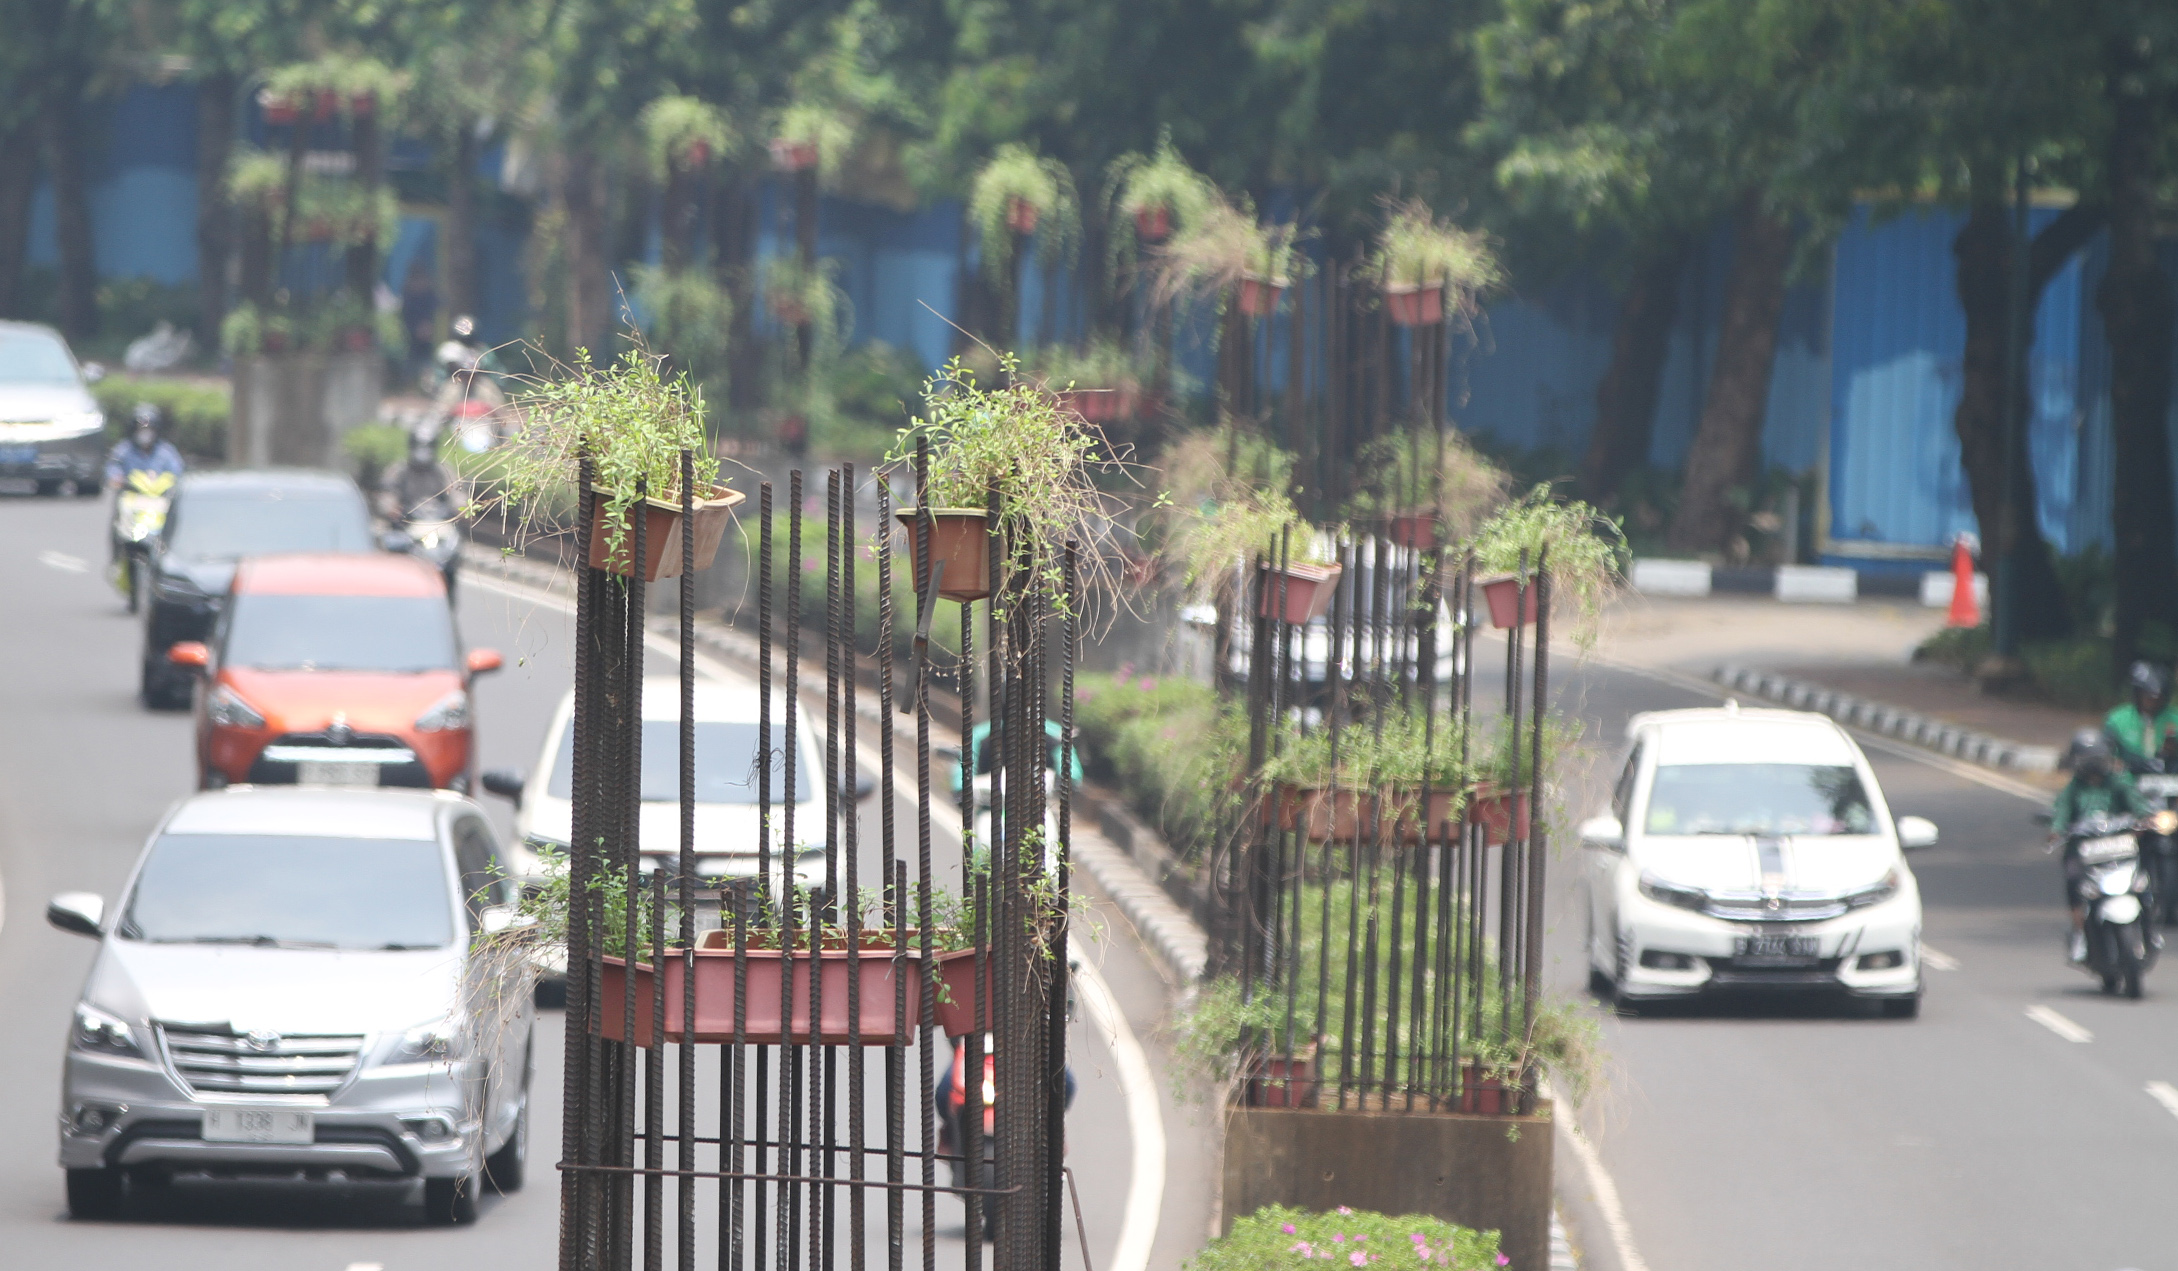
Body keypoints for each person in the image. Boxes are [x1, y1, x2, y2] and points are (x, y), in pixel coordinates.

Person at [2052, 729, 2151, 962]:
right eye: (2088, 760)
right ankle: (2080, 933)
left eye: (2098, 759)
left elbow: (2138, 806)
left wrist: (2146, 820)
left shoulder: (2119, 782)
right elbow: (2061, 812)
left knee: (2143, 879)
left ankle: (2149, 928)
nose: (2094, 765)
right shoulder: (2074, 787)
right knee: (2074, 882)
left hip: (2119, 847)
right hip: (2085, 851)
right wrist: (2056, 831)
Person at [2105, 661, 2178, 775]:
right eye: (2148, 696)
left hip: (2170, 778)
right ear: (2138, 693)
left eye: (2158, 697)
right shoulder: (2117, 720)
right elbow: (2108, 758)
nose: (2153, 700)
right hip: (2129, 777)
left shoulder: (2174, 718)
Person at [380, 426, 459, 524]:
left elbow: (456, 491)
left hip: (439, 521)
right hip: (405, 523)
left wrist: (461, 508)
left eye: (428, 446)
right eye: (419, 446)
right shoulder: (398, 470)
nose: (423, 451)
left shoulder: (443, 470)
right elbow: (388, 492)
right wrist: (392, 509)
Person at [103, 402, 184, 491]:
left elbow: (177, 471)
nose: (145, 432)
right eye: (141, 429)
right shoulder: (123, 450)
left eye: (149, 429)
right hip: (129, 494)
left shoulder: (166, 451)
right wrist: (117, 478)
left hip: (159, 496)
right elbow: (112, 468)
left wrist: (163, 479)